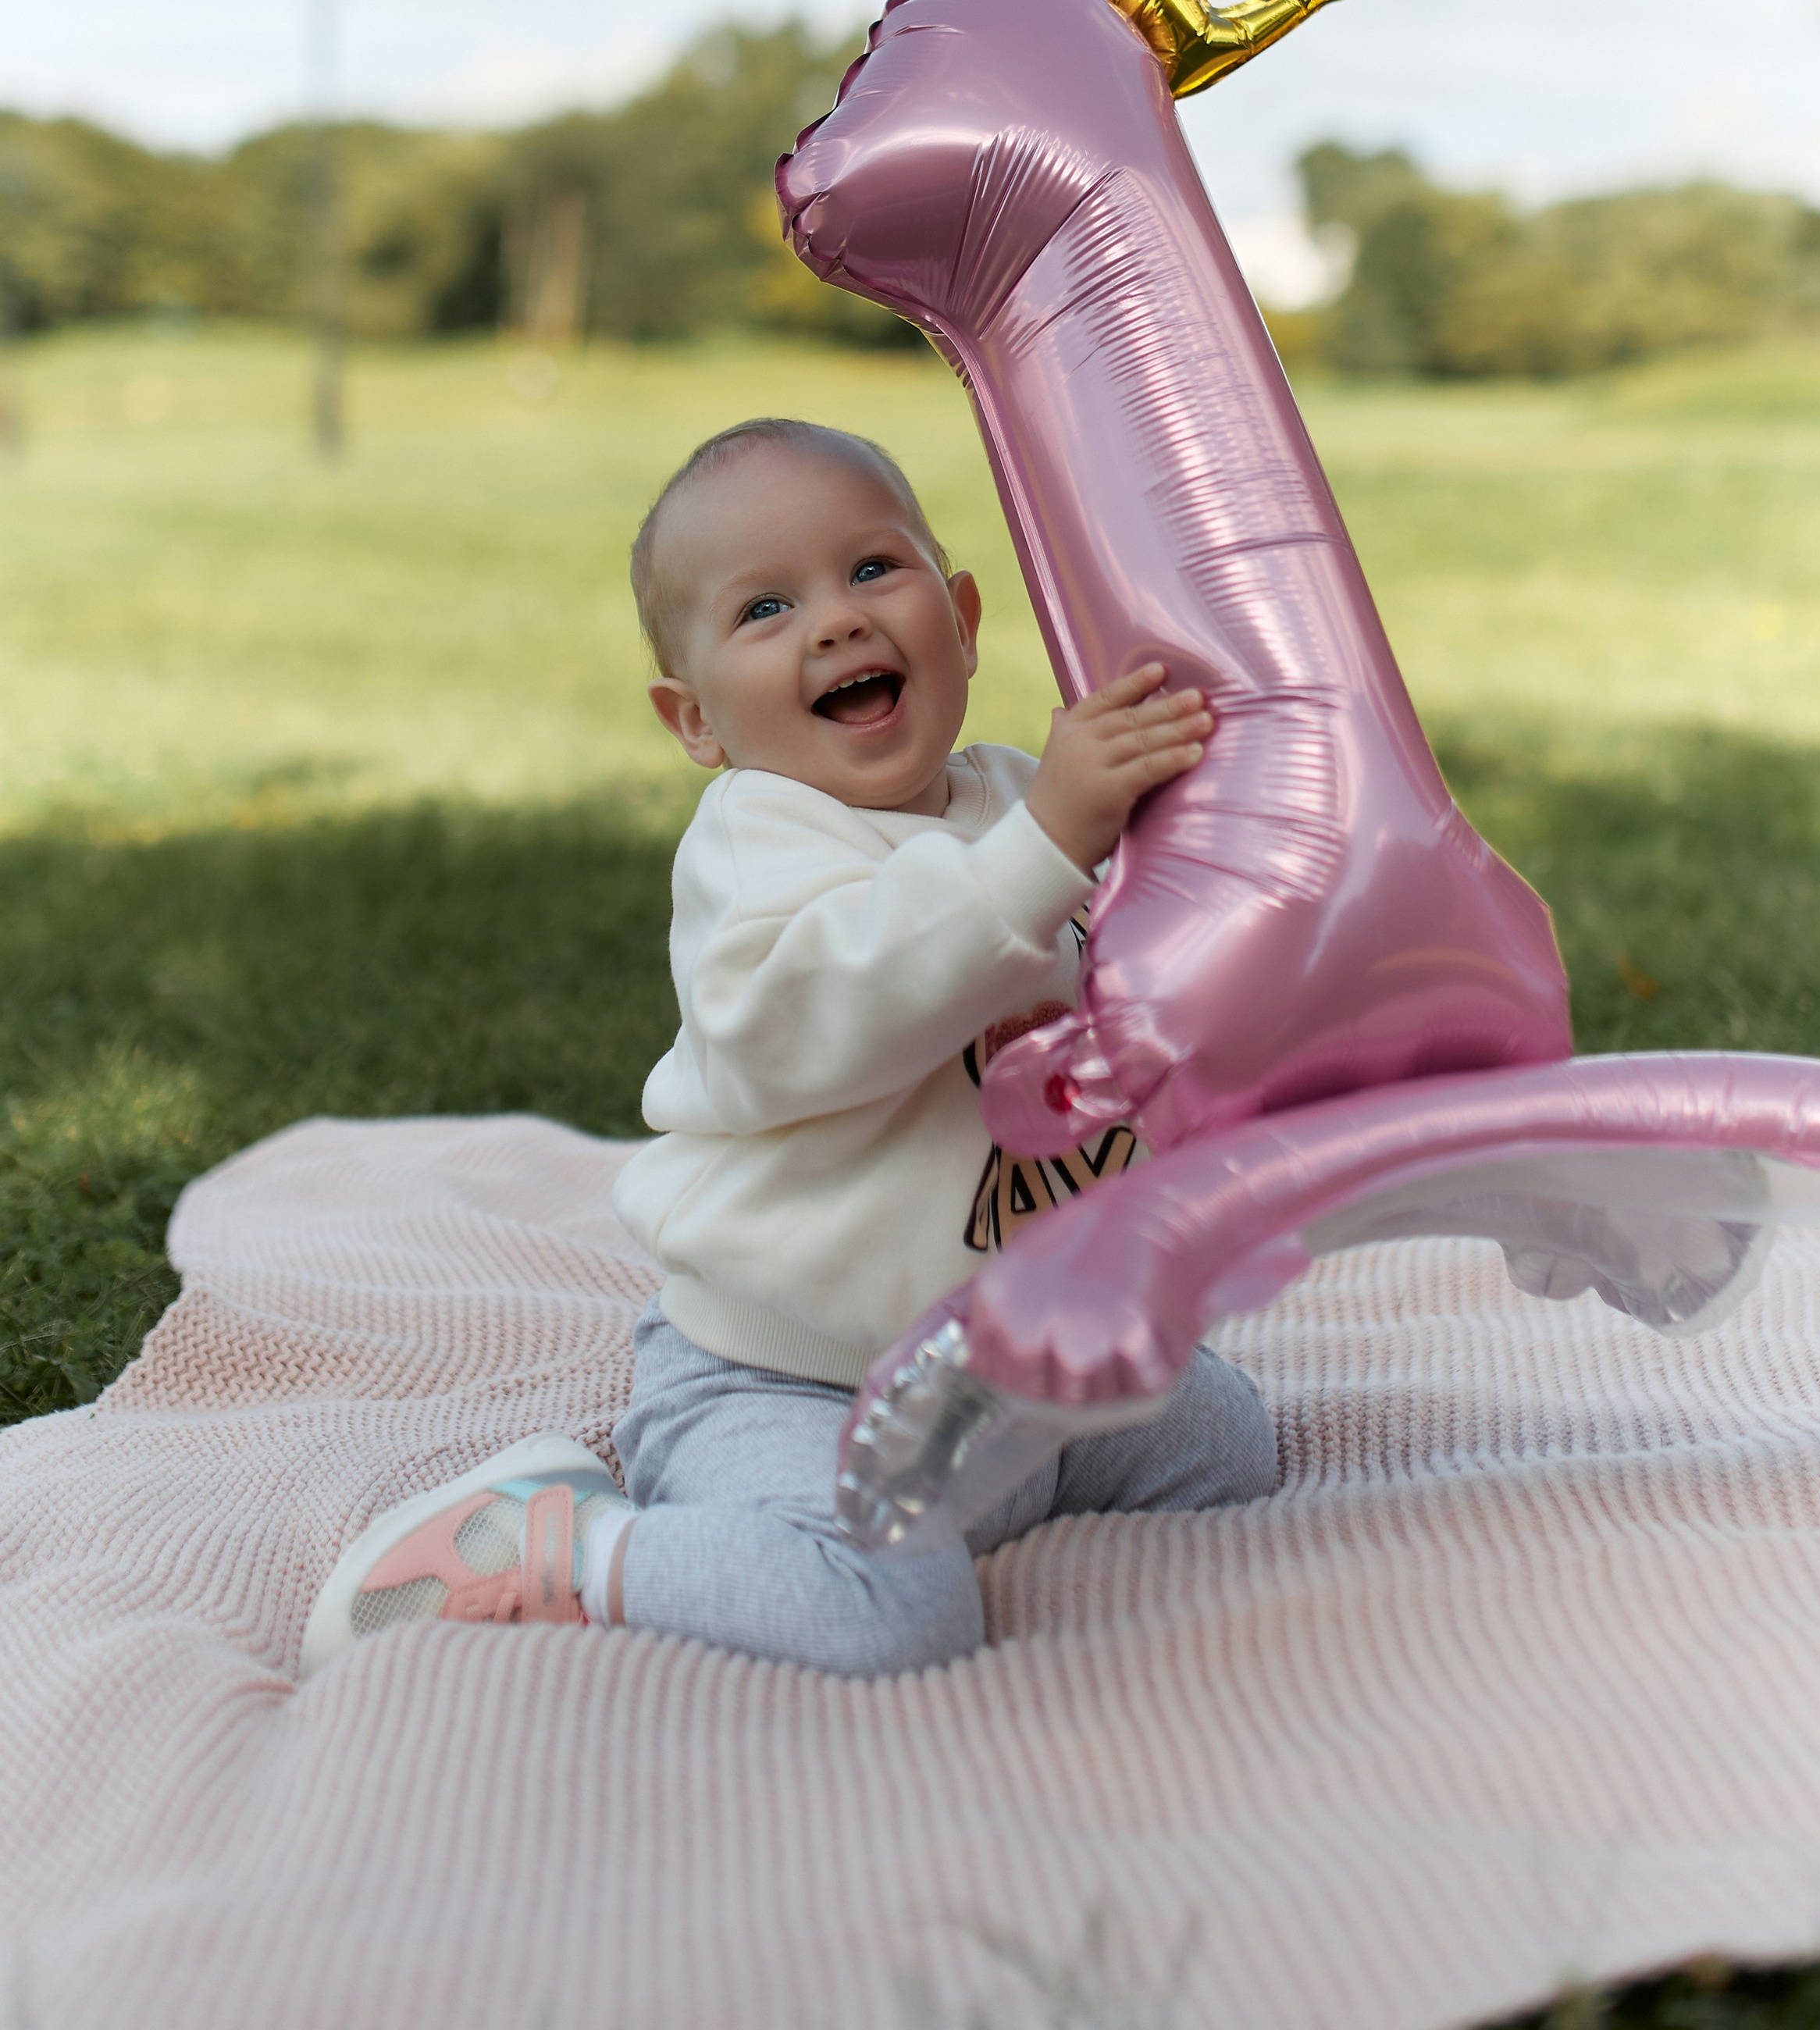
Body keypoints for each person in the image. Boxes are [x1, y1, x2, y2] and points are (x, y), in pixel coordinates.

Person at [301, 418, 1278, 1679]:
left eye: (873, 569)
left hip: (1007, 1369)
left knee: (1227, 1446)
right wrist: (1049, 844)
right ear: (694, 719)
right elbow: (841, 1006)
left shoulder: (1017, 798)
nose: (837, 621)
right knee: (888, 1616)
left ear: (964, 620)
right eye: (766, 609)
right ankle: (573, 1547)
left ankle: (982, 1494)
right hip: (792, 1378)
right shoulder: (760, 845)